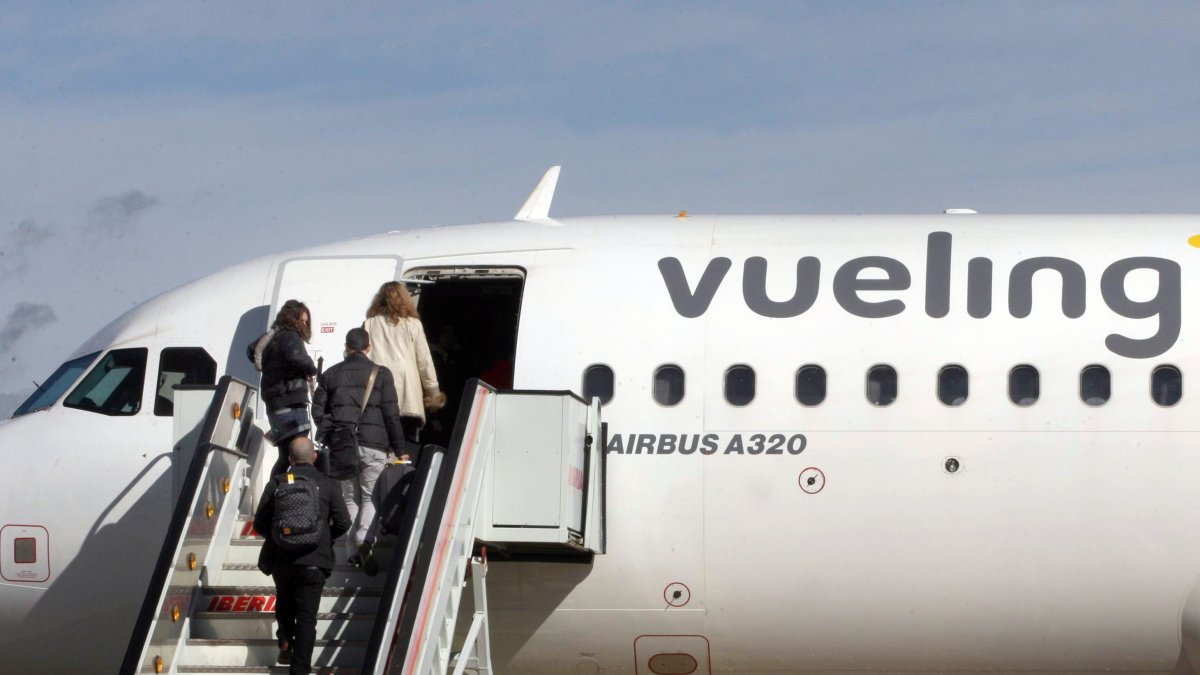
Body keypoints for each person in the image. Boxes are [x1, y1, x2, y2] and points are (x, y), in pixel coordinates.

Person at [311, 328, 408, 571]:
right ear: (368, 348)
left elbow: (317, 412)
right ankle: (364, 538)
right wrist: (400, 448)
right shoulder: (381, 374)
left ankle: (352, 552)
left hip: (342, 446)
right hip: (373, 445)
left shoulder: (330, 374)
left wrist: (330, 433)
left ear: (346, 347)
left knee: (349, 497)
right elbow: (391, 415)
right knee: (370, 496)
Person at [253, 437, 351, 674]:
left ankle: (285, 639)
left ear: (289, 459)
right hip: (315, 561)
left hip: (283, 559)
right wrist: (325, 537)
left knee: (284, 600)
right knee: (307, 619)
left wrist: (279, 538)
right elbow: (344, 522)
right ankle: (299, 670)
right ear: (314, 457)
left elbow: (259, 523)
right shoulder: (327, 484)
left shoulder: (277, 483)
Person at [362, 281, 446, 452]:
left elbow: (359, 357)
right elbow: (425, 363)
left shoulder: (369, 324)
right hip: (408, 396)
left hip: (379, 395)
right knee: (407, 445)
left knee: (381, 446)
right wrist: (433, 394)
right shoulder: (413, 325)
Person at [247, 300, 319, 476]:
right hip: (290, 403)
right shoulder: (290, 337)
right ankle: (294, 492)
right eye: (302, 321)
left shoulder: (272, 339)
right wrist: (312, 367)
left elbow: (252, 352)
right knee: (298, 453)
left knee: (285, 454)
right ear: (293, 319)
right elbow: (297, 358)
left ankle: (276, 491)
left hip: (276, 404)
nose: (304, 325)